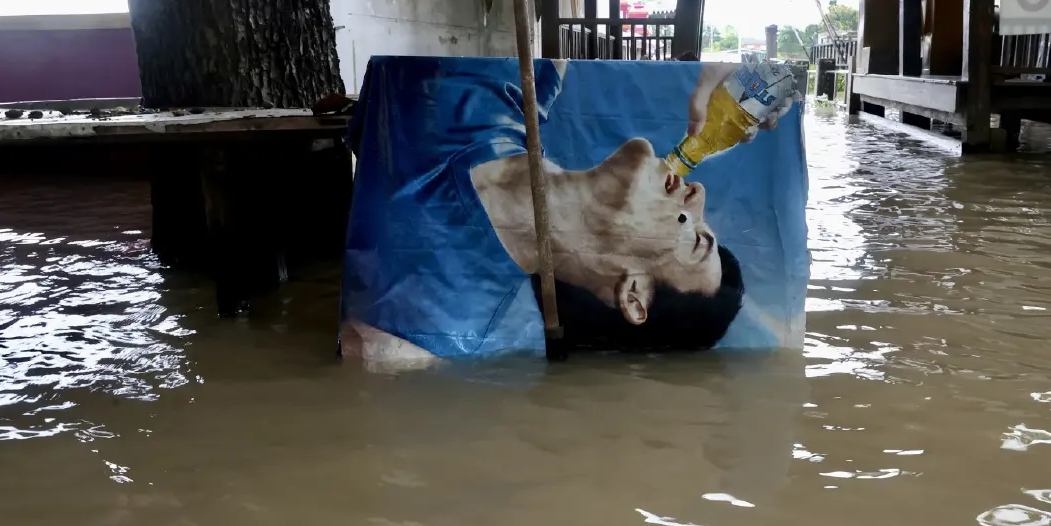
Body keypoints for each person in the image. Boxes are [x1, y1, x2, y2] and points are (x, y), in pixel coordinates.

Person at [339, 57, 795, 370]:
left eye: (696, 237)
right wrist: (705, 70)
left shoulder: (419, 334)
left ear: (634, 294)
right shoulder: (526, 80)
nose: (697, 194)